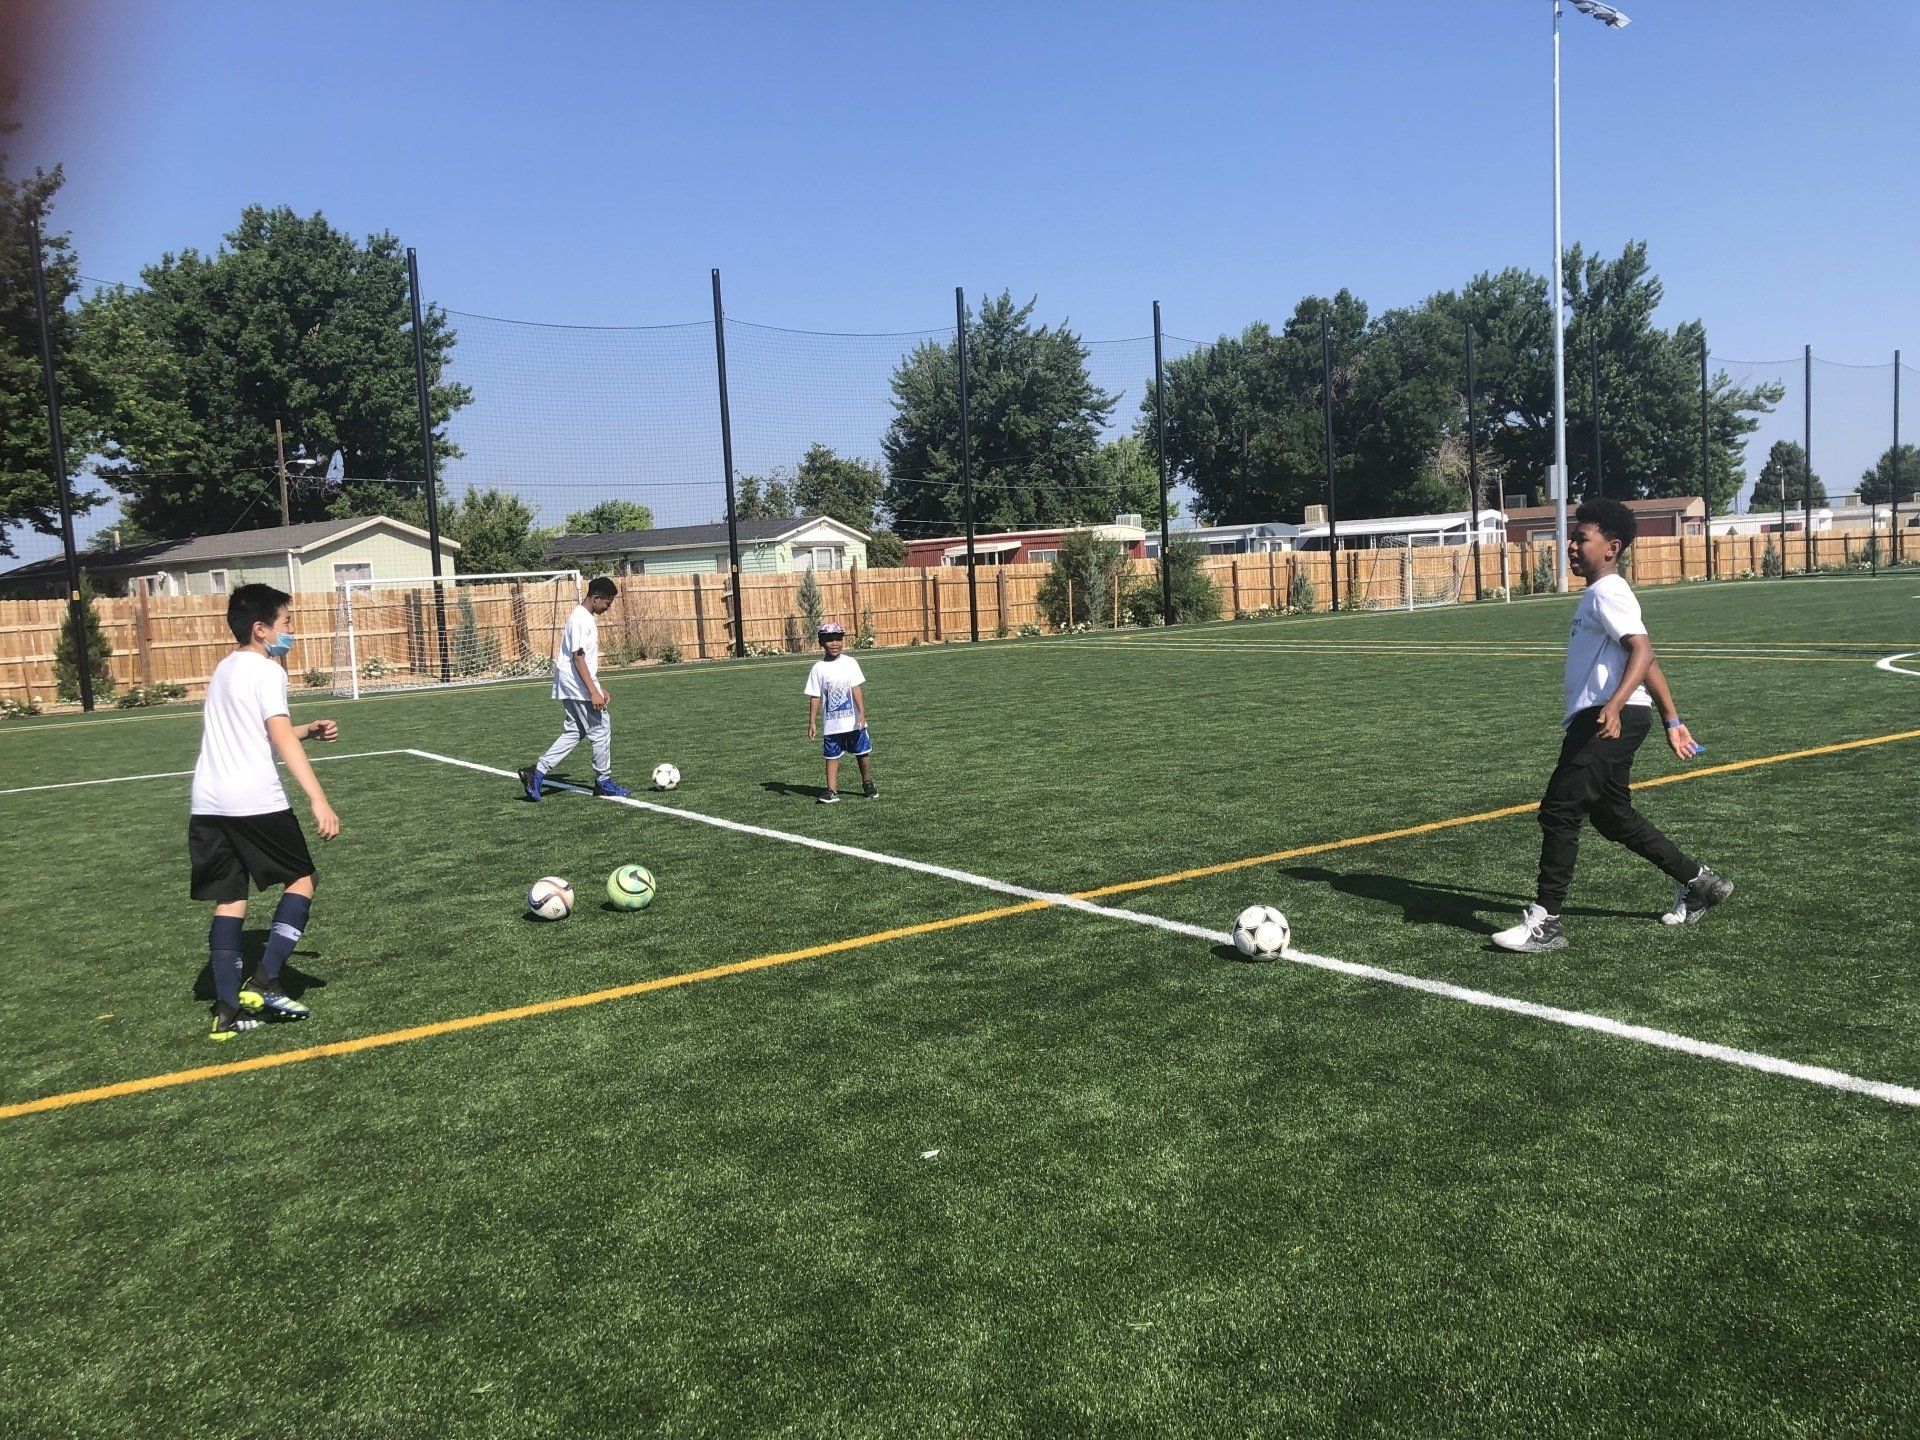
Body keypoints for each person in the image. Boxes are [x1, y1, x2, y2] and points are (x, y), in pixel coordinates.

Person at [1493, 498, 1732, 954]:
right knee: (1611, 815)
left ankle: (1546, 922)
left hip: (1607, 719)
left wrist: (1616, 705)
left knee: (1561, 809)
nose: (1572, 546)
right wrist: (1672, 719)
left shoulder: (1608, 591)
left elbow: (1641, 650)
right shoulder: (1600, 594)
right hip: (1619, 715)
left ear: (1611, 547)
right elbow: (1644, 657)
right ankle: (1699, 882)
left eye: (1582, 539)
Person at [189, 583, 339, 1041]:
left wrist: (306, 728)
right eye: (286, 623)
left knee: (231, 897)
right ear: (260, 629)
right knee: (302, 879)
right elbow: (278, 738)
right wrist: (319, 798)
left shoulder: (225, 668)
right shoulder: (268, 671)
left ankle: (227, 1010)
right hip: (253, 800)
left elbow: (257, 729)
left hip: (208, 803)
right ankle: (266, 978)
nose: (290, 631)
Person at [519, 576, 628, 800]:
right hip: (577, 686)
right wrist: (592, 691)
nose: (608, 608)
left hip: (574, 684)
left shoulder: (584, 617)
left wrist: (599, 686)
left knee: (575, 731)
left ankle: (536, 772)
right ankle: (603, 781)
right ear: (596, 598)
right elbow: (578, 657)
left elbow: (583, 660)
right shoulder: (581, 618)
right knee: (600, 730)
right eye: (607, 603)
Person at [803, 621, 876, 804]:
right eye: (829, 640)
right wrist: (812, 722)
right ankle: (831, 791)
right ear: (821, 642)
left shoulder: (850, 663)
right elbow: (815, 696)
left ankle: (867, 782)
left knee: (862, 752)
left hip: (852, 721)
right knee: (831, 755)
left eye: (837, 639)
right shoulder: (818, 668)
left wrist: (862, 712)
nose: (834, 643)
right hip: (832, 724)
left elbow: (856, 688)